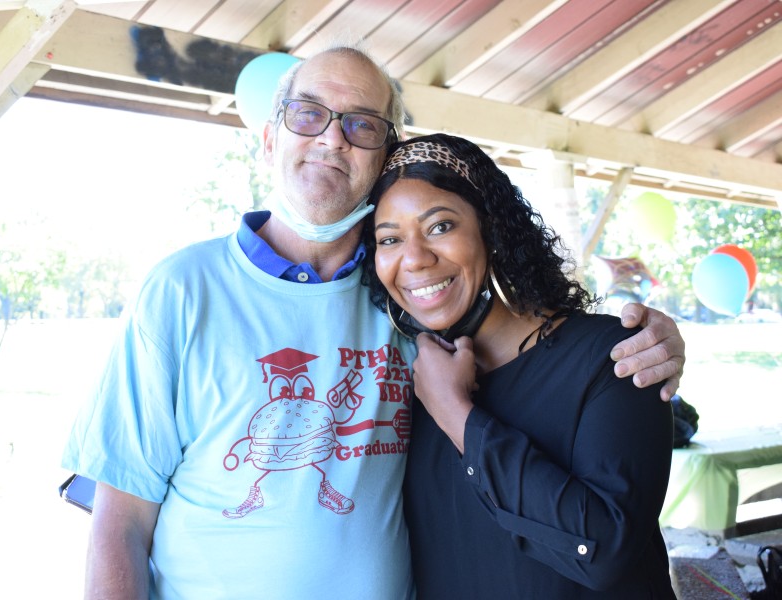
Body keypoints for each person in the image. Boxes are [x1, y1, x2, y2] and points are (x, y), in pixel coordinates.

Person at [62, 44, 683, 600]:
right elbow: (119, 523)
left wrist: (650, 340)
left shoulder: (405, 305)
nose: (333, 139)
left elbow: (541, 359)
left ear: (385, 156)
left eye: (361, 125)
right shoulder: (181, 290)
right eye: (308, 113)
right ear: (269, 138)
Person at [363, 133, 676, 598]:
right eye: (390, 238)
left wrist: (456, 414)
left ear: (490, 229)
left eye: (440, 226)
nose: (415, 258)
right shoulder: (401, 377)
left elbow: (604, 552)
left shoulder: (612, 357)